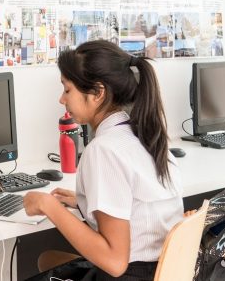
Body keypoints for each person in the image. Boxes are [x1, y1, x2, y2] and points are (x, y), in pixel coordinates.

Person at [22, 40, 183, 281]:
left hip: (129, 275)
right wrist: (87, 202)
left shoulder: (103, 150)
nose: (61, 100)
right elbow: (140, 208)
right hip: (163, 271)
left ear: (98, 93)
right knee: (49, 260)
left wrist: (49, 206)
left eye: (67, 90)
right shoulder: (145, 135)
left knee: (47, 262)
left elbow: (115, 262)